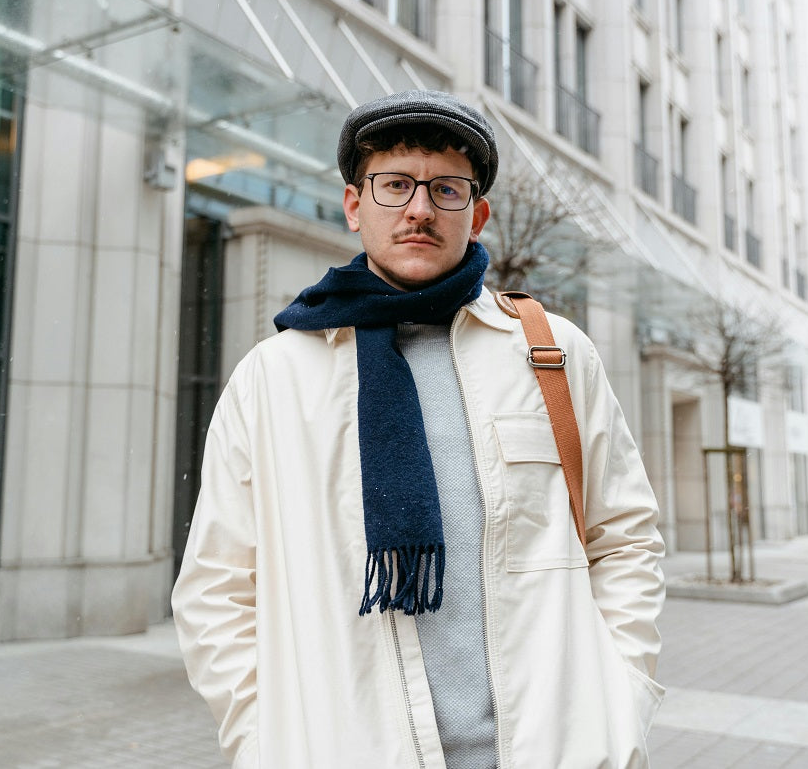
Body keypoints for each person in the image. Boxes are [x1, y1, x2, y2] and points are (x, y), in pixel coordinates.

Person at [173, 88, 666, 768]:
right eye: (395, 184)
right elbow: (216, 589)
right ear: (354, 205)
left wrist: (621, 698)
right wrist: (262, 742)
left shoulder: (553, 354)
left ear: (478, 212)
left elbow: (625, 537)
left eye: (446, 189)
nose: (419, 208)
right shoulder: (274, 379)